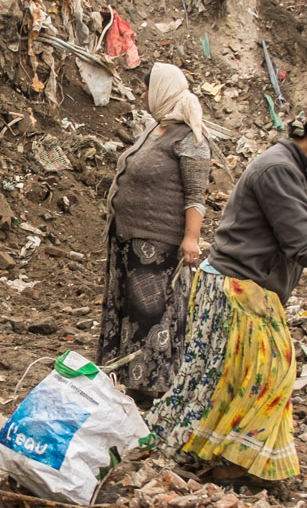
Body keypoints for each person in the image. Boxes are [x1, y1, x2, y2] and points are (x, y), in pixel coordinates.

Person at [149, 98, 307, 487]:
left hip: (251, 286)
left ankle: (220, 454)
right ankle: (231, 463)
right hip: (235, 287)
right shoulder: (278, 169)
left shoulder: (299, 167)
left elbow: (295, 237)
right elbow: (301, 240)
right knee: (270, 375)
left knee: (232, 378)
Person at [97, 63, 212, 404]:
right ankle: (126, 381)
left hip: (157, 246)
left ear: (163, 90)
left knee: (151, 314)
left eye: (147, 89)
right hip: (129, 240)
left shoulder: (191, 136)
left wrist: (191, 238)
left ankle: (152, 388)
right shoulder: (156, 130)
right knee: (129, 311)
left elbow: (196, 194)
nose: (143, 95)